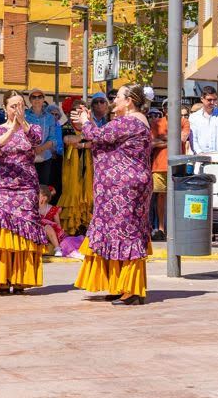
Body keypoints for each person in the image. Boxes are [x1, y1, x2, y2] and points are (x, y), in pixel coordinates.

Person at [71, 84, 154, 305]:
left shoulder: (129, 122)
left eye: (117, 97)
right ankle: (120, 285)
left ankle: (132, 289)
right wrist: (88, 122)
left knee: (126, 233)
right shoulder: (135, 121)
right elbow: (103, 140)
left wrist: (86, 121)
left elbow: (97, 135)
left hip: (124, 188)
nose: (113, 100)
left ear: (129, 101)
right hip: (124, 187)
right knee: (119, 232)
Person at [0, 92, 49, 295]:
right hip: (3, 186)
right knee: (4, 228)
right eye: (13, 106)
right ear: (5, 108)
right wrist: (12, 128)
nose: (17, 109)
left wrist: (22, 124)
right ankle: (2, 278)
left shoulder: (32, 127)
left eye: (20, 105)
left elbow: (36, 140)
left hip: (26, 186)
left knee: (25, 228)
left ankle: (20, 279)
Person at [22, 89, 63, 200]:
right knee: (27, 187)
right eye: (34, 97)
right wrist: (32, 148)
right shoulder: (24, 115)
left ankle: (41, 210)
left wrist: (42, 148)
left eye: (39, 97)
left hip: (45, 158)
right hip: (27, 158)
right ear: (30, 100)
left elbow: (53, 138)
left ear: (43, 99)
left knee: (43, 189)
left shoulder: (50, 117)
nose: (37, 99)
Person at [189, 87, 218, 160]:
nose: (212, 102)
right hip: (201, 158)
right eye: (209, 100)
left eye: (215, 99)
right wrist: (199, 153)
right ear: (202, 99)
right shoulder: (194, 117)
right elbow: (193, 139)